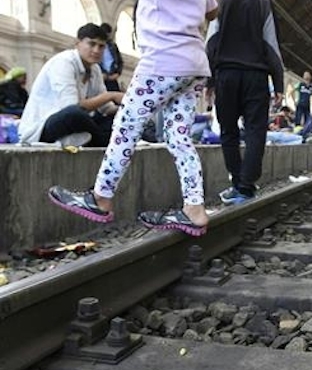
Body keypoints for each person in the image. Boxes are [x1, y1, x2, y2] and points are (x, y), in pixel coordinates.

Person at [48, 0, 218, 236]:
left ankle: (101, 197)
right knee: (179, 138)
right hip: (195, 64)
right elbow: (213, 10)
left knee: (125, 127)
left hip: (162, 60)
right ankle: (195, 208)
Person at [209, 0, 284, 205]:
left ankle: (237, 183)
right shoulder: (263, 3)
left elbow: (211, 41)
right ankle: (246, 185)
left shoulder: (220, 2)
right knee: (255, 131)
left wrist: (209, 81)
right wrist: (278, 83)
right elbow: (271, 43)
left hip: (226, 74)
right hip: (256, 75)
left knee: (228, 131)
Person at [19, 23, 124, 147]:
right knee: (75, 114)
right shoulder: (63, 62)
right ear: (77, 43)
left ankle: (99, 139)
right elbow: (71, 106)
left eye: (101, 46)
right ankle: (102, 140)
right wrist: (110, 95)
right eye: (91, 44)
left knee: (119, 118)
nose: (96, 50)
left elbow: (106, 108)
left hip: (79, 124)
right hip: (42, 127)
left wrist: (126, 108)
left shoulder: (95, 69)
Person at [99, 23, 124, 92]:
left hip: (112, 76)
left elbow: (120, 61)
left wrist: (118, 73)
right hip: (100, 76)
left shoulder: (112, 46)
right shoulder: (96, 45)